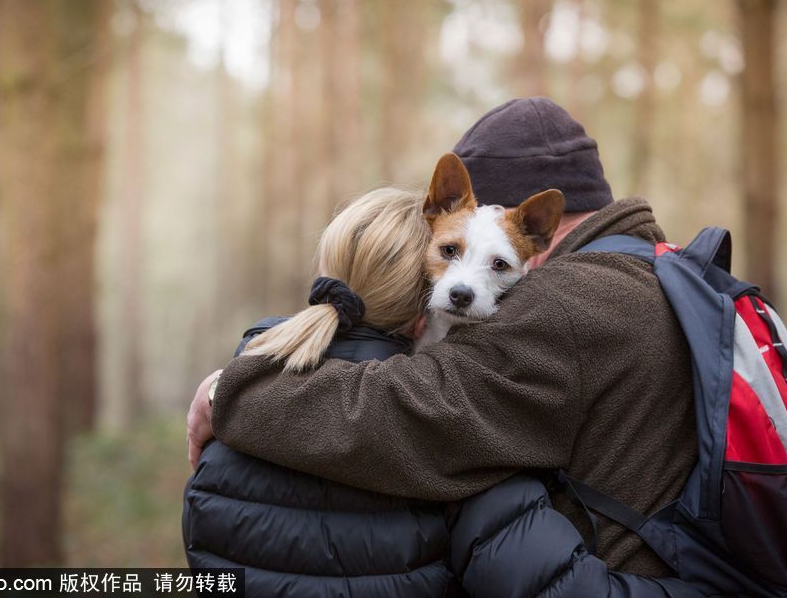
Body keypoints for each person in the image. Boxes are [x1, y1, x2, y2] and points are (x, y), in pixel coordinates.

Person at [187, 98, 701, 580]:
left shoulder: (567, 301)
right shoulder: (654, 270)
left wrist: (227, 392)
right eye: (451, 250)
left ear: (525, 223)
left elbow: (410, 414)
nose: (465, 280)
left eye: (496, 260)